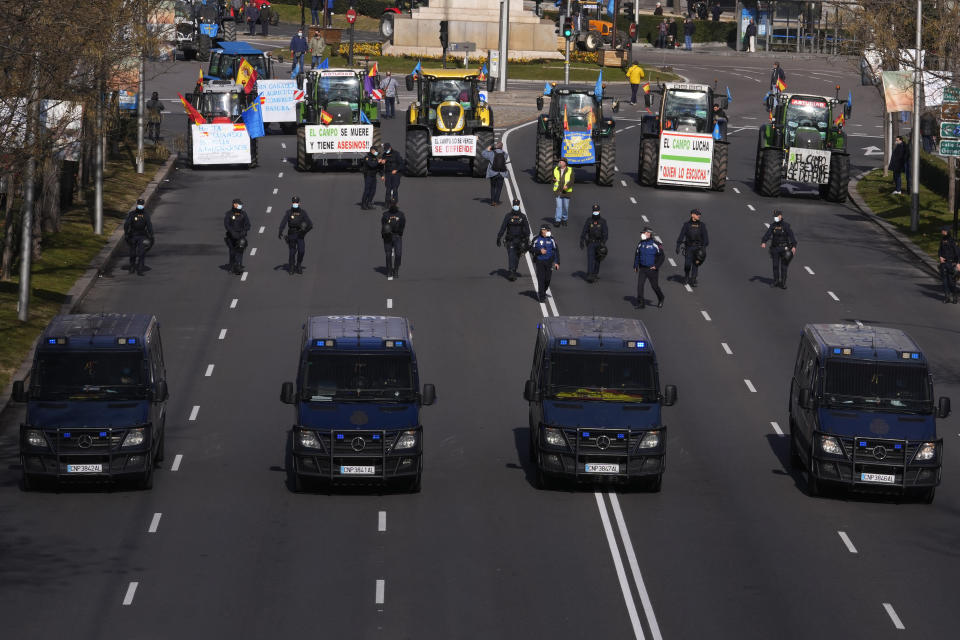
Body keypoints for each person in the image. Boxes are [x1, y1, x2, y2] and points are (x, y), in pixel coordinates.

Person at [760, 209, 797, 289]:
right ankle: (776, 281)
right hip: (775, 248)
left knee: (784, 267)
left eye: (776, 216)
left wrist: (794, 246)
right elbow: (768, 234)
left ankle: (783, 283)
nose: (775, 218)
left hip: (784, 248)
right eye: (774, 216)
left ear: (780, 216)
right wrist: (764, 242)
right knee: (775, 266)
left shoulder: (786, 226)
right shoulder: (773, 225)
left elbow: (791, 236)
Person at [496, 198, 531, 281]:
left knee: (517, 257)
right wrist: (499, 237)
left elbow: (527, 229)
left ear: (519, 205)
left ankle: (514, 270)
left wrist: (526, 239)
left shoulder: (523, 216)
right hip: (510, 240)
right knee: (512, 255)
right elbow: (503, 227)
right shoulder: (508, 216)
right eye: (514, 204)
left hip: (520, 240)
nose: (516, 206)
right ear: (513, 205)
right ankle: (511, 272)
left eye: (517, 204)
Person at [278, 196, 313, 274]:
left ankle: (299, 264)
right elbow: (284, 222)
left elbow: (310, 224)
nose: (295, 204)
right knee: (292, 252)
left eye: (296, 202)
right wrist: (280, 230)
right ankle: (291, 266)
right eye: (294, 202)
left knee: (301, 251)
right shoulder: (288, 212)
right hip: (291, 234)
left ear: (299, 203)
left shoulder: (303, 213)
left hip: (300, 235)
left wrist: (304, 232)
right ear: (292, 203)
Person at [676, 208, 708, 287]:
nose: (699, 216)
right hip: (689, 247)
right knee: (687, 264)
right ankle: (686, 277)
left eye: (699, 214)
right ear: (692, 215)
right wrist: (678, 245)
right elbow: (681, 235)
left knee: (695, 264)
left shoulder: (702, 225)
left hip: (698, 248)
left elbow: (706, 238)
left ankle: (693, 279)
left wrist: (703, 248)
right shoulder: (686, 225)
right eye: (697, 214)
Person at [634, 227, 664, 309]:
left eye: (644, 233)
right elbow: (637, 255)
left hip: (652, 269)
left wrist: (656, 266)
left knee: (654, 286)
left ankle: (661, 298)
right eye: (642, 233)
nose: (643, 234)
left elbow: (662, 257)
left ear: (649, 234)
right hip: (643, 269)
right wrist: (635, 265)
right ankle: (641, 303)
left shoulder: (656, 244)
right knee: (640, 285)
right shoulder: (641, 243)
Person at [123, 199, 154, 276]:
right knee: (133, 253)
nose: (140, 205)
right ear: (137, 205)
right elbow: (127, 224)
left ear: (143, 205)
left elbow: (149, 226)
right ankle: (132, 267)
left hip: (142, 235)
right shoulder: (132, 214)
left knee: (141, 253)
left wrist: (151, 235)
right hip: (133, 235)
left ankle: (139, 269)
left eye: (141, 204)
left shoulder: (145, 214)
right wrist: (126, 233)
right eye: (139, 204)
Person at [530, 224, 559, 303]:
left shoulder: (551, 239)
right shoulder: (536, 238)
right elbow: (530, 248)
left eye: (545, 230)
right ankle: (542, 296)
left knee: (547, 279)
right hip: (539, 261)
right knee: (541, 279)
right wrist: (539, 251)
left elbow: (555, 251)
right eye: (542, 230)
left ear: (548, 231)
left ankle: (543, 290)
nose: (543, 231)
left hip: (549, 262)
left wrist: (557, 262)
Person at [579, 204, 608, 283]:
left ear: (599, 211)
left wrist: (603, 243)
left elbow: (605, 233)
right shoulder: (589, 220)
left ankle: (595, 273)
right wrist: (582, 240)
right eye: (594, 211)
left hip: (599, 243)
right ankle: (589, 274)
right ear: (592, 211)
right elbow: (584, 231)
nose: (595, 212)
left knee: (597, 260)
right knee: (590, 259)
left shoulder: (603, 221)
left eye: (597, 211)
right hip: (591, 243)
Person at [224, 198, 250, 275]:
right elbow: (227, 225)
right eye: (239, 204)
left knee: (240, 250)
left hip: (241, 236)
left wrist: (244, 231)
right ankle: (232, 266)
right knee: (232, 252)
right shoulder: (229, 214)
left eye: (240, 204)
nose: (240, 206)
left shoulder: (243, 214)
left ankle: (239, 265)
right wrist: (232, 232)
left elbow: (248, 224)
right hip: (231, 237)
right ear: (234, 204)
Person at [381, 200, 406, 278]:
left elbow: (403, 224)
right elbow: (383, 225)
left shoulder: (401, 215)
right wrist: (387, 230)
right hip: (388, 237)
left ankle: (396, 270)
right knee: (388, 255)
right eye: (391, 204)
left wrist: (398, 229)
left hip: (397, 236)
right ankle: (389, 271)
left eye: (394, 204)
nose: (393, 205)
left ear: (396, 204)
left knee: (398, 254)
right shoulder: (385, 215)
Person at [482, 142, 509, 206]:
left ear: (496, 146)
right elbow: (505, 157)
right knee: (499, 188)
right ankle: (496, 201)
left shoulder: (491, 153)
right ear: (502, 147)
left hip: (493, 173)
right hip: (502, 173)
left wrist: (487, 149)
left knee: (493, 187)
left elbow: (483, 154)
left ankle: (492, 201)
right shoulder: (505, 154)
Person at [938, 226, 959, 303]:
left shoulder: (952, 241)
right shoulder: (942, 240)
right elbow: (939, 250)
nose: (941, 232)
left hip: (951, 263)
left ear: (946, 231)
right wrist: (940, 257)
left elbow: (957, 253)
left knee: (951, 282)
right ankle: (947, 297)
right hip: (944, 263)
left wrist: (958, 263)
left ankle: (955, 295)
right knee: (944, 282)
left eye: (943, 231)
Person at [553, 158, 573, 226]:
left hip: (566, 192)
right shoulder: (556, 169)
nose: (559, 162)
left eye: (561, 161)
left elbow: (572, 180)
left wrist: (567, 186)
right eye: (559, 161)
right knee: (559, 207)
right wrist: (553, 179)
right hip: (558, 191)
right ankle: (557, 220)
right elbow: (552, 177)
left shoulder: (570, 170)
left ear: (565, 163)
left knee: (565, 207)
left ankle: (564, 219)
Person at [360, 144, 382, 210]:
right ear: (372, 151)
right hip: (368, 176)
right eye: (375, 151)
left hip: (373, 176)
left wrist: (381, 164)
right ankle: (363, 204)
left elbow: (377, 167)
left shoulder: (375, 157)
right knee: (367, 190)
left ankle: (369, 202)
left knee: (373, 190)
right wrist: (378, 162)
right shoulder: (367, 158)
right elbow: (372, 165)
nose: (376, 152)